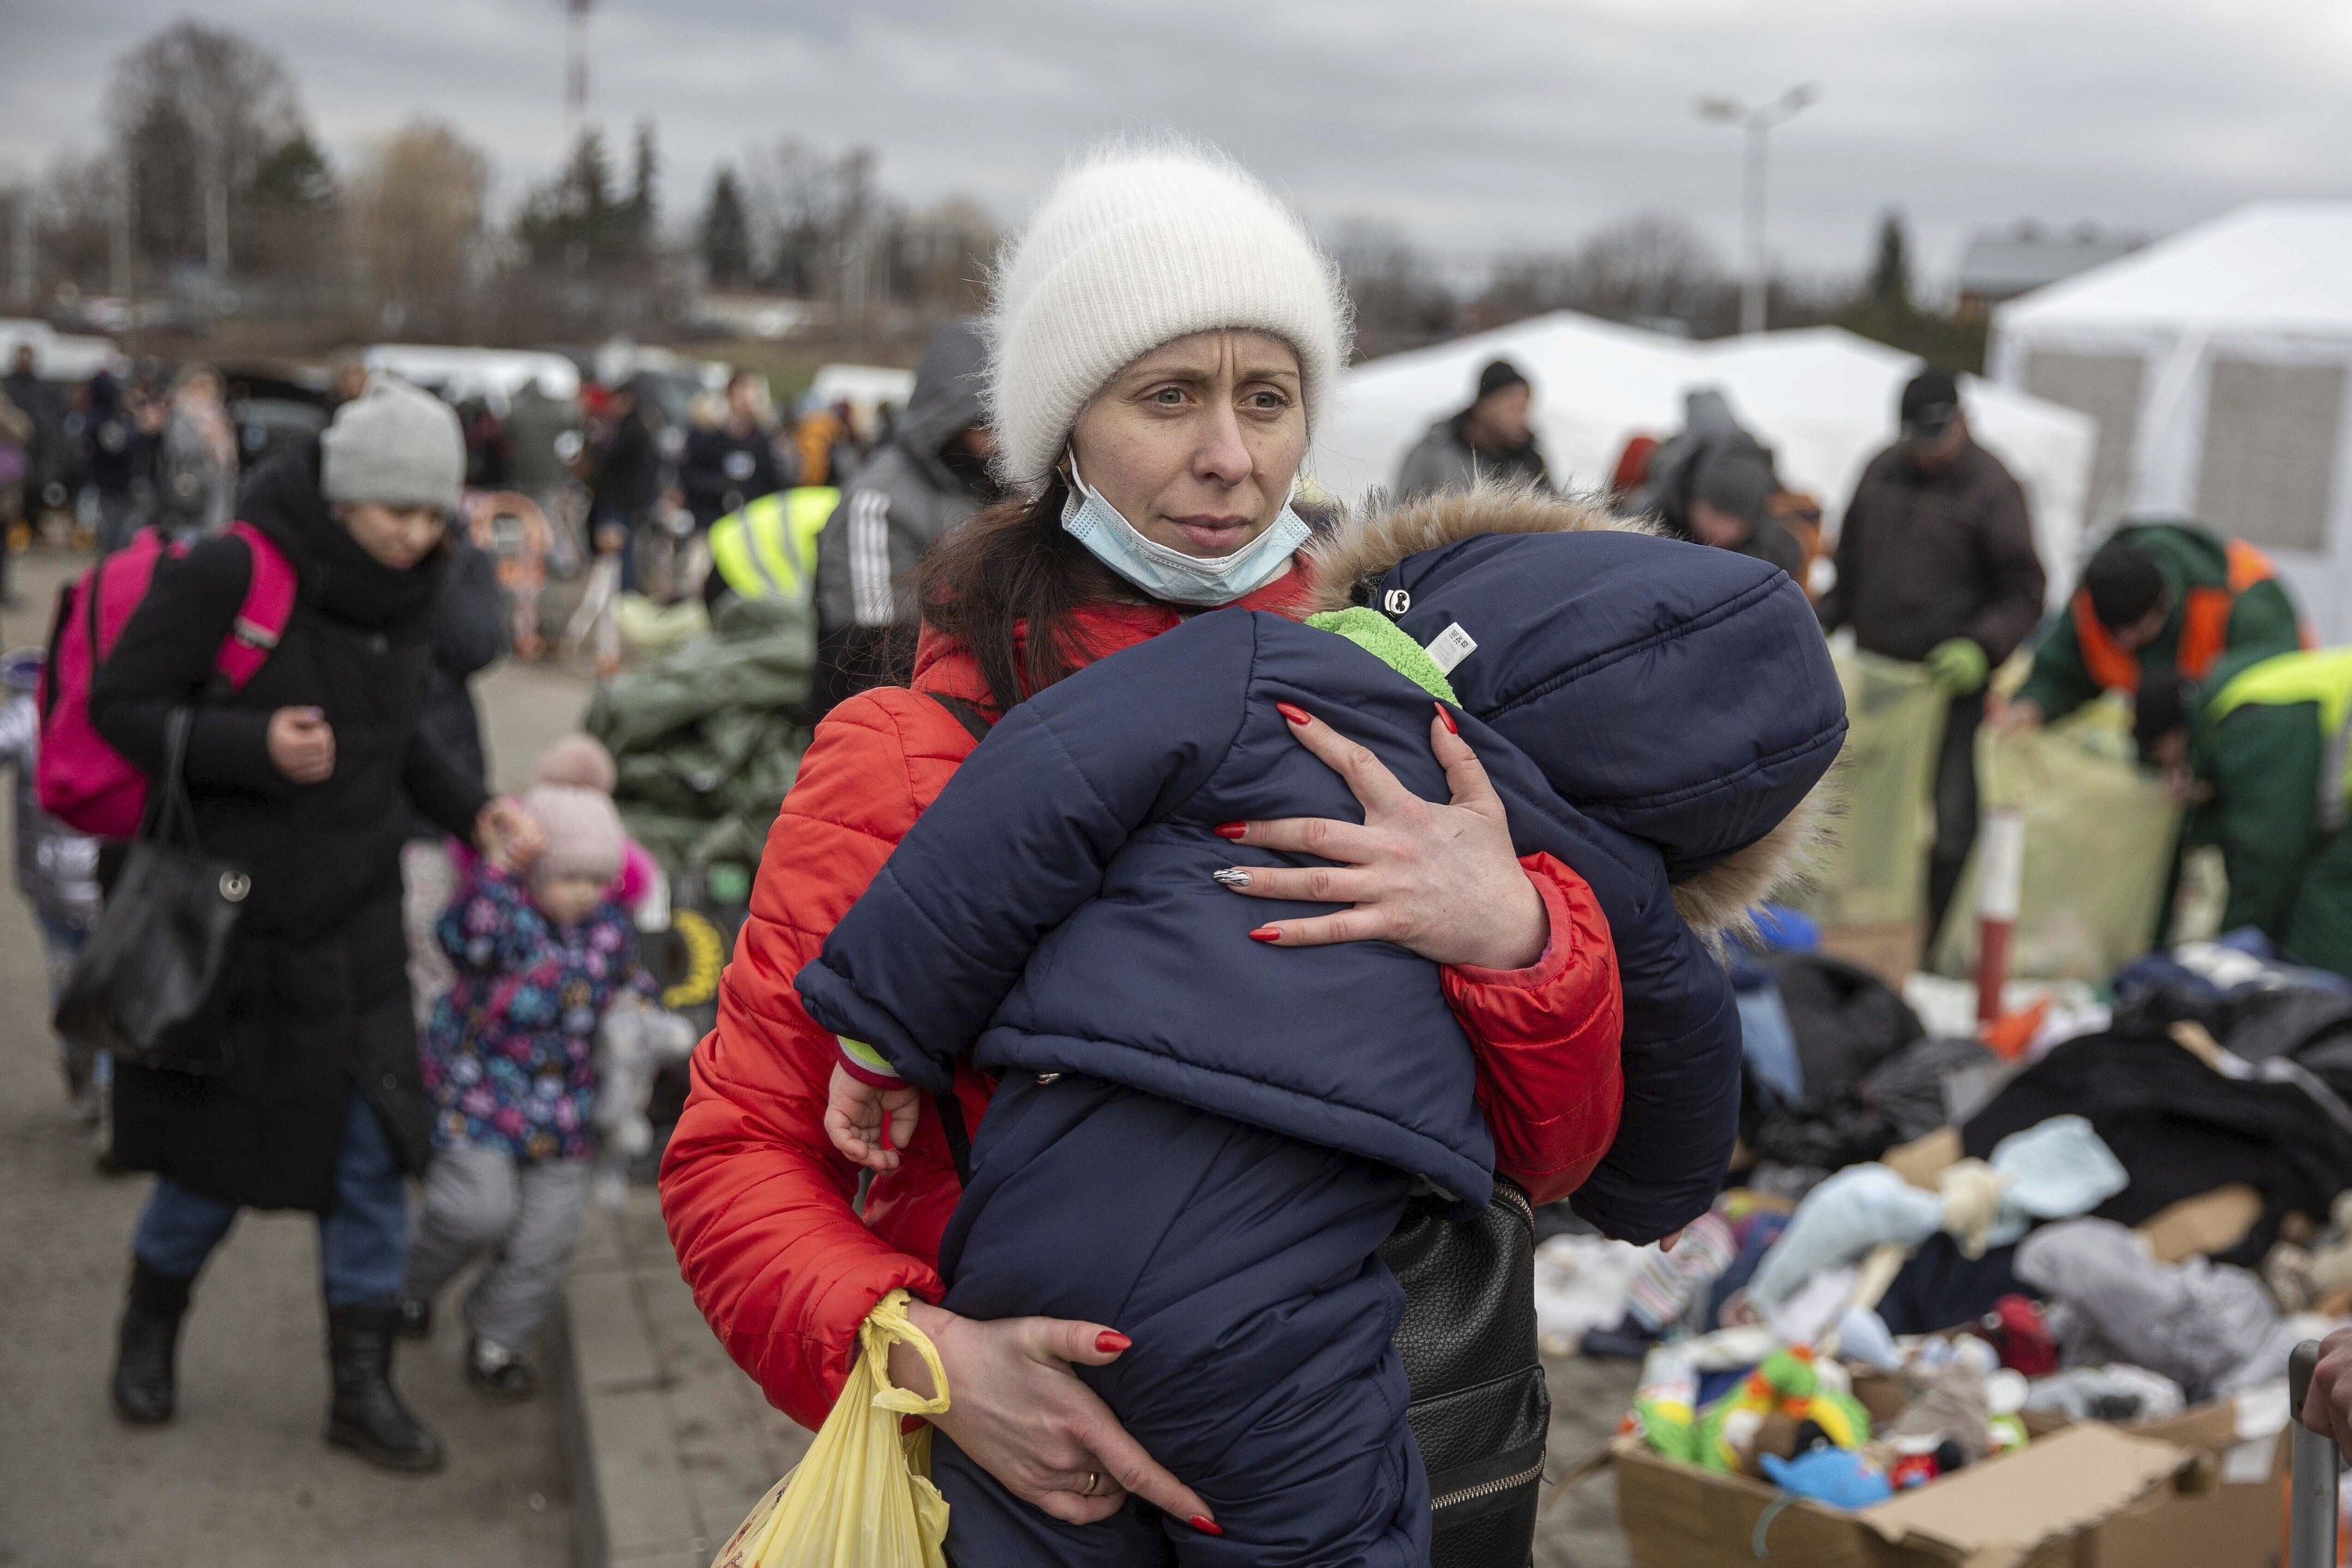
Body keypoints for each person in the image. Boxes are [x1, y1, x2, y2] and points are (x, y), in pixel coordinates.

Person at [659, 144, 1818, 1565]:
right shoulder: (910, 751)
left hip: (1359, 1450)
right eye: (1169, 397)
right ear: (1059, 432)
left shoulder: (1420, 713)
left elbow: (1566, 1162)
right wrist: (928, 1360)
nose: (1230, 454)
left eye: (1266, 399)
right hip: (1017, 1494)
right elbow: (738, 1162)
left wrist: (1515, 935)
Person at [801, 478, 1840, 1559]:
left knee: (1026, 1528)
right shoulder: (1603, 880)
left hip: (1037, 1209)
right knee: (1340, 1534)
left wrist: (880, 1032)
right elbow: (1660, 1168)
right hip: (1273, 1287)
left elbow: (1028, 797)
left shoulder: (1253, 665)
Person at [89, 376, 543, 1471]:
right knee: (207, 1173)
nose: (416, 535)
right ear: (344, 491)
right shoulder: (236, 569)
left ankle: (361, 1389)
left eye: (435, 515)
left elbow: (395, 743)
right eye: (397, 511)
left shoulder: (416, 591)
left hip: (357, 934)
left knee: (371, 1169)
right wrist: (253, 747)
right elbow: (121, 707)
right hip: (236, 938)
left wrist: (471, 811)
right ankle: (147, 1333)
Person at [398, 738, 648, 1398]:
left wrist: (644, 1024)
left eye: (599, 879)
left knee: (547, 1237)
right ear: (536, 870)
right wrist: (499, 873)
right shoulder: (501, 915)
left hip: (565, 1111)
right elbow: (461, 938)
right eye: (569, 876)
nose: (585, 893)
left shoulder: (609, 930)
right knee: (474, 1212)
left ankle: (495, 1339)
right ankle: (410, 1286)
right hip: (482, 1096)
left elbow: (630, 988)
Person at [1817, 367, 2047, 941]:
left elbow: (2024, 588)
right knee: (1862, 812)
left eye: (1937, 441)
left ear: (1962, 424)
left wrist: (1981, 645)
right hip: (1877, 680)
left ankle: (1928, 936)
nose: (1927, 454)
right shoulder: (1879, 470)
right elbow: (1849, 569)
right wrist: (1815, 623)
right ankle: (1858, 925)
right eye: (1917, 442)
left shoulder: (1993, 487)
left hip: (1950, 689)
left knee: (1948, 824)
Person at [808, 318, 996, 715]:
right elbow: (868, 660)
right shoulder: (878, 502)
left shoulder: (999, 487)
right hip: (898, 726)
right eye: (981, 421)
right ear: (945, 418)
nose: (994, 439)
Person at [2136, 648, 2352, 978]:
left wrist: (2226, 957)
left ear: (2174, 736)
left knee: (2320, 913)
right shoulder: (2235, 696)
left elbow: (2268, 857)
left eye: (2161, 760)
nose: (2171, 780)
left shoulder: (2246, 727)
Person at [2000, 520, 2305, 733]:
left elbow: (2274, 697)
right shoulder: (2095, 599)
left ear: (2165, 604)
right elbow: (2062, 671)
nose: (2123, 644)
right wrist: (2033, 705)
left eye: (2136, 630)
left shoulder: (2241, 600)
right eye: (2113, 633)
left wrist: (2201, 755)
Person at [0, 648, 107, 1126]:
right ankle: (108, 1084)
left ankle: (82, 1065)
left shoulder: (29, 711)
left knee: (68, 977)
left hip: (48, 879)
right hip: (112, 872)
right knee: (110, 980)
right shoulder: (123, 702)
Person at [1622, 387, 1775, 537]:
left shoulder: (1769, 524)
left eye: (1737, 521)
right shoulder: (1653, 509)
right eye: (1715, 512)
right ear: (1692, 499)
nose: (1720, 529)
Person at [1392, 358, 1550, 499]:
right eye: (1513, 408)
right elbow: (1400, 522)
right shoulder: (1430, 456)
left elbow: (1557, 519)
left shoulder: (1530, 462)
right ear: (1484, 406)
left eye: (1525, 409)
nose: (1521, 419)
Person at [680, 369, 786, 532]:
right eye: (744, 391)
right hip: (711, 524)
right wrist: (719, 485)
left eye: (754, 392)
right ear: (730, 395)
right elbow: (688, 476)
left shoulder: (763, 440)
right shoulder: (707, 435)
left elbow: (774, 483)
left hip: (751, 529)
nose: (749, 399)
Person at [1685, 448, 1806, 579]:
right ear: (1693, 504)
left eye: (1732, 519)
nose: (1718, 527)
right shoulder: (1667, 520)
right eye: (1714, 513)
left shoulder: (1777, 551)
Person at [587, 378, 661, 593]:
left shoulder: (631, 431)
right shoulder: (630, 428)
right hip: (624, 499)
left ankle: (624, 593)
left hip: (620, 500)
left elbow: (609, 458)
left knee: (619, 551)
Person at [152, 365, 239, 542]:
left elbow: (229, 461)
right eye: (203, 386)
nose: (208, 393)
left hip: (217, 498)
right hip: (191, 494)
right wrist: (206, 439)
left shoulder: (220, 417)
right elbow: (178, 450)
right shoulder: (183, 416)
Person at [82, 367, 146, 554]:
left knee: (121, 533)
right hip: (111, 485)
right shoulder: (100, 418)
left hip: (119, 484)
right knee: (114, 536)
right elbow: (117, 446)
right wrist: (140, 431)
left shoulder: (112, 416)